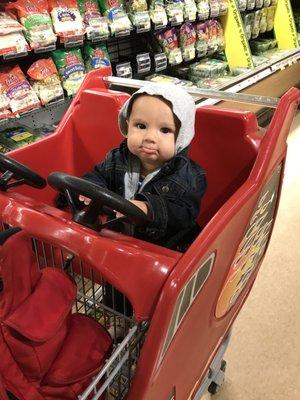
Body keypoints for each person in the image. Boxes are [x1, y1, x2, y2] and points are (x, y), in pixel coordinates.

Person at [80, 83, 207, 251]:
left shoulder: (189, 176)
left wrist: (149, 208)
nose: (150, 137)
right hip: (118, 240)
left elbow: (183, 214)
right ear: (127, 124)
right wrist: (90, 189)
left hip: (163, 249)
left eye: (165, 130)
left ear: (181, 137)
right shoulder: (117, 159)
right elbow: (98, 175)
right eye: (141, 126)